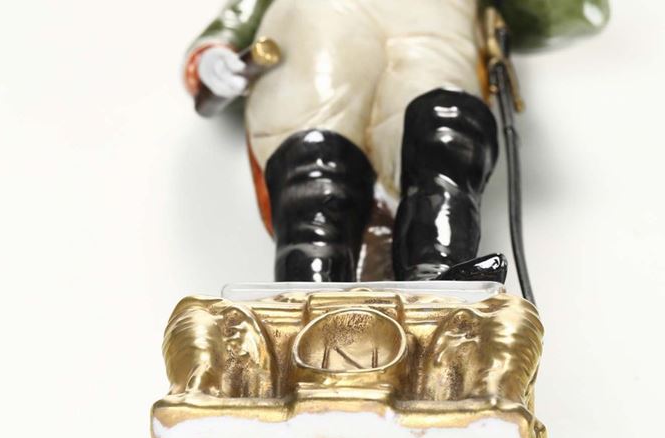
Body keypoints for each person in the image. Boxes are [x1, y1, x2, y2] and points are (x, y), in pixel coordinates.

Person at [183, 0, 608, 283]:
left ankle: (436, 287)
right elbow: (237, 21)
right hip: (321, 32)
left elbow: (576, 13)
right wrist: (216, 57)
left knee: (445, 135)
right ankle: (310, 295)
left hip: (431, 31)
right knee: (317, 166)